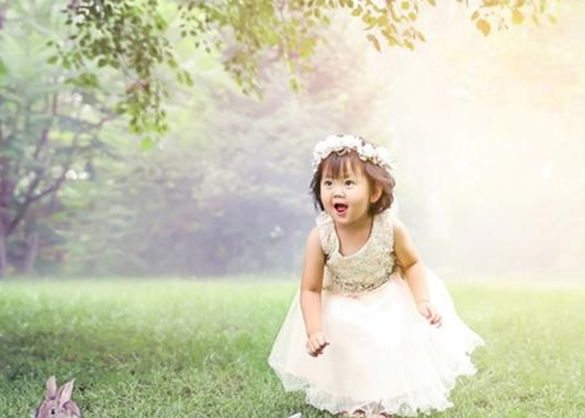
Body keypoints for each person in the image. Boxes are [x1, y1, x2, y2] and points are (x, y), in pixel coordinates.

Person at [268, 135, 484, 418]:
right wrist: (314, 330)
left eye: (348, 183)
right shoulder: (320, 236)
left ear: (374, 192)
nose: (337, 192)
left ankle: (384, 404)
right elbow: (310, 289)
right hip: (341, 299)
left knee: (384, 340)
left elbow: (412, 264)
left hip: (385, 295)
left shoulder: (390, 228)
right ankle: (352, 405)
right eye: (328, 183)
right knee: (344, 335)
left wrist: (421, 300)